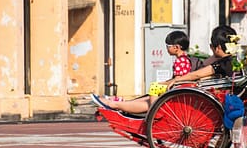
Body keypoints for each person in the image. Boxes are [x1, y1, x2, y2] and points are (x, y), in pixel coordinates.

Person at [91, 25, 237, 114]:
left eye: (212, 47)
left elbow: (196, 74)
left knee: (152, 98)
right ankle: (116, 102)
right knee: (150, 95)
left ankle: (117, 104)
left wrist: (175, 80)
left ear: (217, 47)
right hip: (198, 91)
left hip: (192, 93)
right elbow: (207, 62)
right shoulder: (229, 61)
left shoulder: (222, 64)